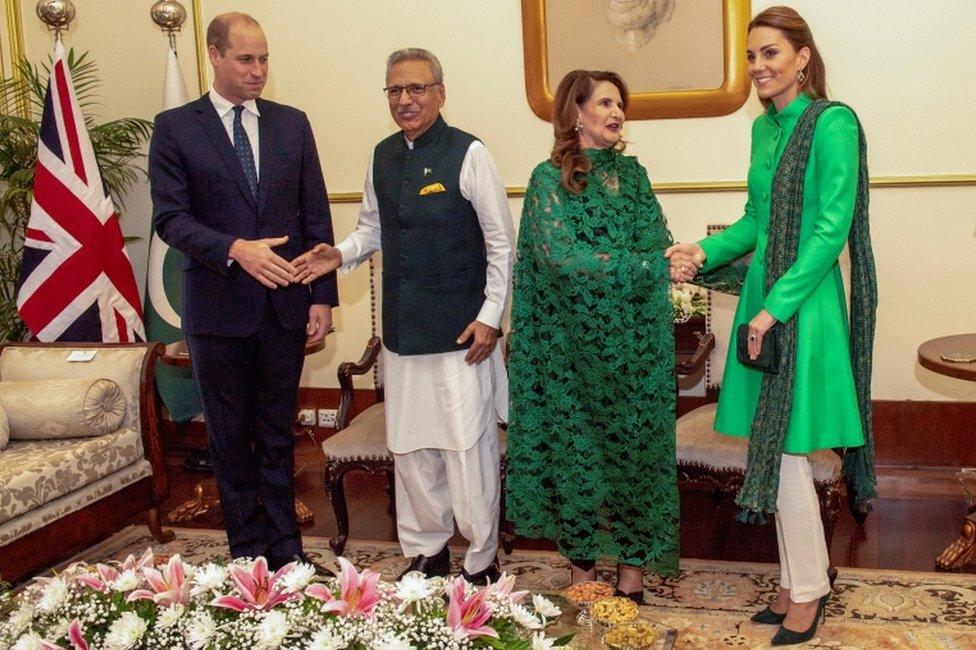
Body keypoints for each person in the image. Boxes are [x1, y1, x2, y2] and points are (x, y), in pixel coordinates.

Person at [667, 6, 877, 645]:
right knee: (775, 446)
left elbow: (829, 229)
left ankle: (809, 590)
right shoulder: (763, 130)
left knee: (786, 453)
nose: (759, 66)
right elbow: (757, 219)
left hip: (801, 305)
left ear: (802, 57)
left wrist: (773, 307)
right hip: (768, 298)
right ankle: (793, 580)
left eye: (771, 54)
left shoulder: (833, 124)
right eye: (752, 56)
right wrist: (703, 252)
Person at [292, 48, 514, 585]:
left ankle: (481, 560)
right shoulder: (382, 155)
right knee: (412, 451)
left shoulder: (470, 153)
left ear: (441, 92)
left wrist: (490, 317)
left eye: (416, 89)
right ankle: (427, 553)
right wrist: (337, 254)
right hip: (403, 332)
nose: (405, 100)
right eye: (394, 90)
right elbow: (372, 229)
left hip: (462, 334)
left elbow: (502, 243)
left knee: (468, 451)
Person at [149, 12, 337, 572]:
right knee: (230, 443)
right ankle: (248, 562)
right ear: (214, 55)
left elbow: (315, 214)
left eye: (264, 59)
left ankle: (289, 559)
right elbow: (170, 220)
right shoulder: (177, 126)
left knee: (279, 439)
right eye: (245, 59)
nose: (258, 70)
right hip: (216, 310)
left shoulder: (291, 123)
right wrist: (236, 247)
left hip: (285, 306)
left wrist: (321, 294)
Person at [506, 69, 679, 604]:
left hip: (635, 347)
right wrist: (648, 265)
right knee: (574, 454)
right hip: (567, 354)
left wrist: (671, 262)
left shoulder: (635, 177)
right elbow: (561, 259)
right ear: (575, 112)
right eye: (605, 102)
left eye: (620, 103)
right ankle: (583, 575)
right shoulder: (547, 180)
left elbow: (657, 241)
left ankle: (632, 575)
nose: (617, 112)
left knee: (636, 455)